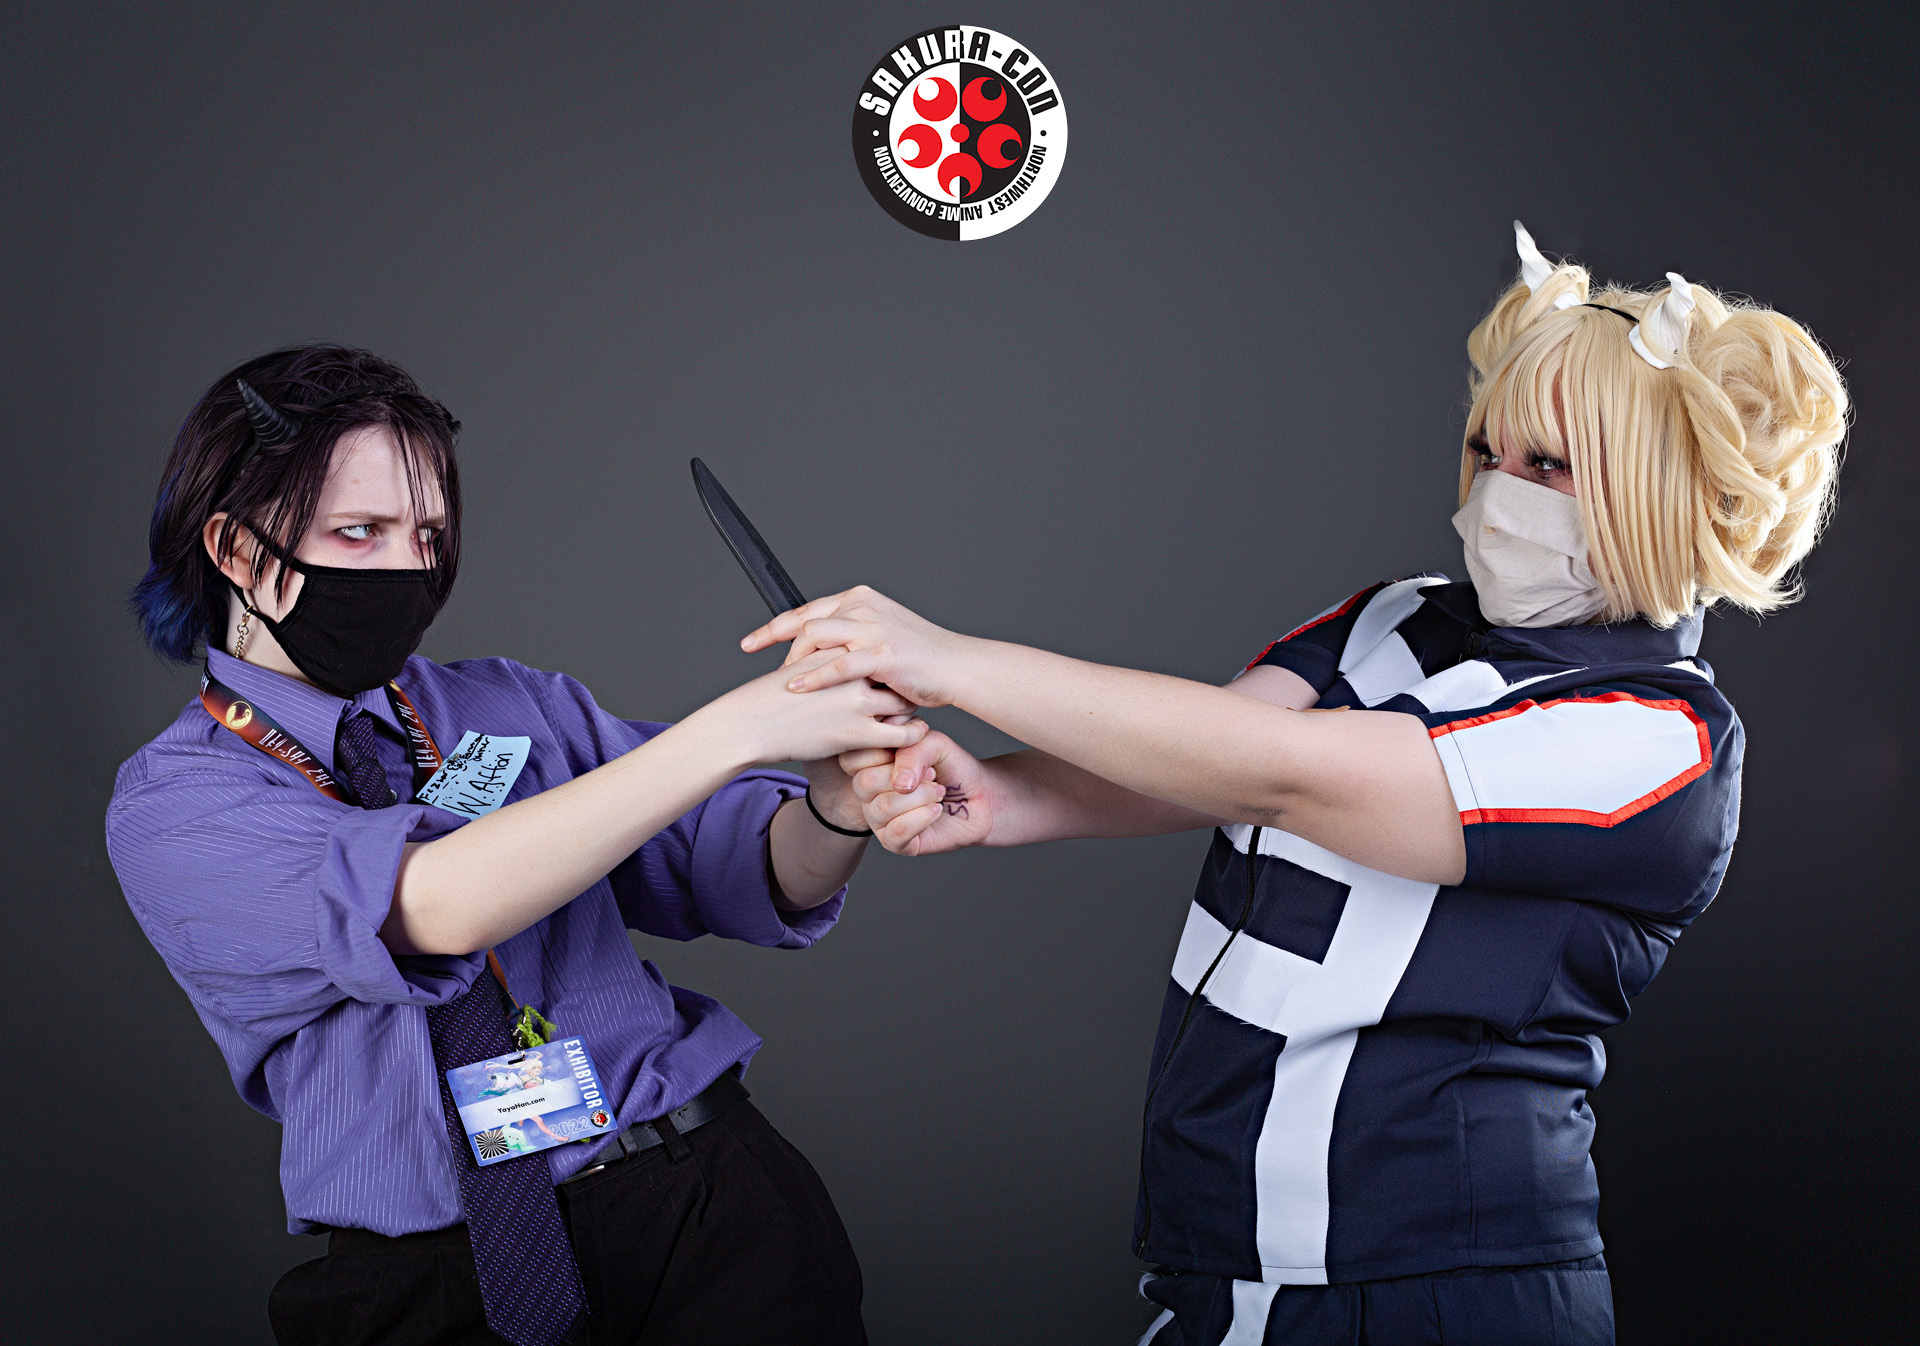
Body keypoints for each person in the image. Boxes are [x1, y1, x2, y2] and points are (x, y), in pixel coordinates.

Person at [746, 224, 1848, 1345]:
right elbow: (1214, 750)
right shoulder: (1401, 613)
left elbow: (1285, 774)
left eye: (1549, 464)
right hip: (1228, 1266)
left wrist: (949, 660)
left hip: (1440, 1289)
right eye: (1487, 450)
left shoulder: (1662, 737)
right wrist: (1004, 794)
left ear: (1653, 485)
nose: (1499, 490)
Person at [107, 345, 926, 1346]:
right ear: (237, 550)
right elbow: (436, 903)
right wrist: (739, 728)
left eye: (428, 534)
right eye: (359, 531)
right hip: (432, 1280)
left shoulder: (507, 701)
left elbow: (749, 867)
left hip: (704, 1207)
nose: (407, 567)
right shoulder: (175, 803)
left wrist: (836, 807)